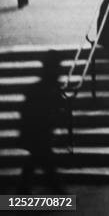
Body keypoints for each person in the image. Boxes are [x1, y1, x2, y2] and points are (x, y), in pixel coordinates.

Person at [18, 50, 67, 193]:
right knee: (42, 160)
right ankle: (56, 192)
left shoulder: (39, 88)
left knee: (37, 160)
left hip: (36, 130)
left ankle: (23, 194)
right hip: (41, 130)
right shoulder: (49, 87)